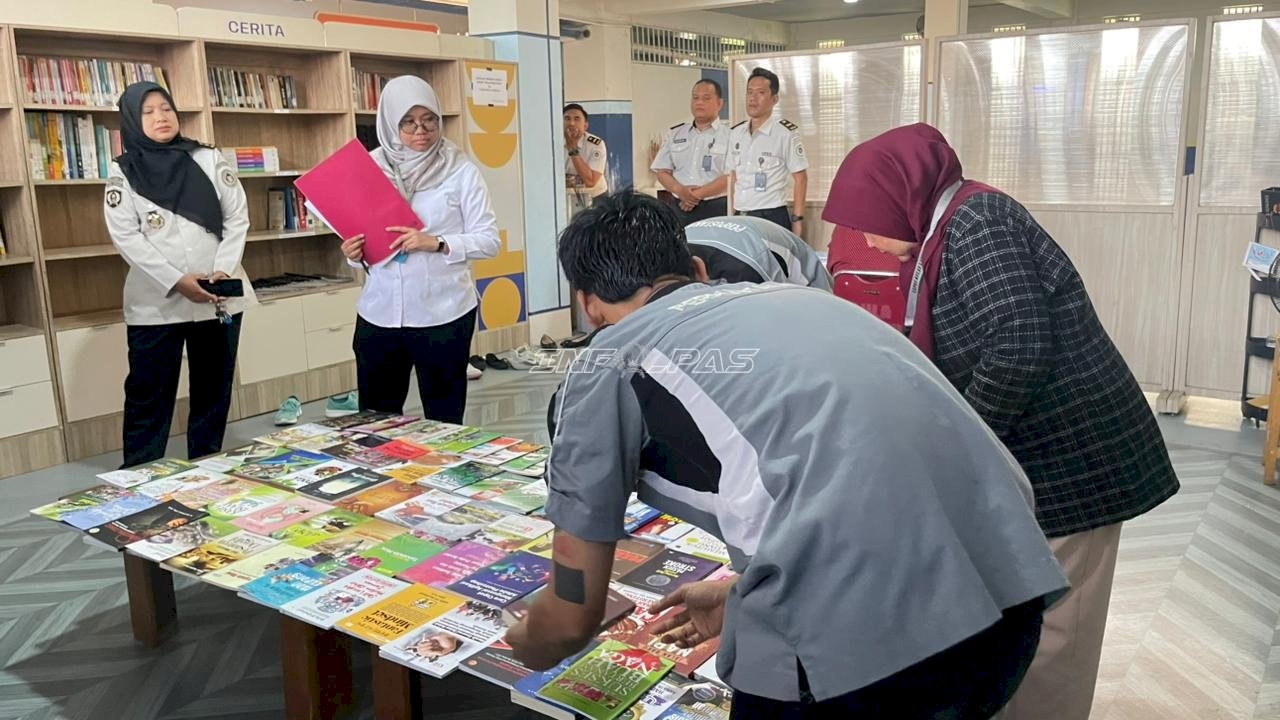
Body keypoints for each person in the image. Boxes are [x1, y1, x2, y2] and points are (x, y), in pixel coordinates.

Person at [507, 191, 1069, 718]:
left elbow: (574, 609)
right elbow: (853, 469)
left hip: (871, 660)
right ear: (697, 270)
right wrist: (742, 593)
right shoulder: (804, 301)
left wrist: (528, 639)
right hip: (1012, 604)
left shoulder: (609, 359)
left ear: (588, 306)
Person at [823, 123, 1181, 720]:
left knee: (1057, 635)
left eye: (870, 221)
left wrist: (965, 441)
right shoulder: (946, 230)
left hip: (1077, 460)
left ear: (902, 198)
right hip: (1039, 454)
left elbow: (1018, 342)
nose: (870, 242)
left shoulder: (977, 221)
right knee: (1025, 621)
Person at [104, 81, 254, 468]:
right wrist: (175, 280)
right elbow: (126, 238)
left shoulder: (207, 158)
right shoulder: (122, 173)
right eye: (148, 112)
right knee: (148, 391)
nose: (161, 117)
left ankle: (206, 467)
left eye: (166, 108)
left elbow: (237, 216)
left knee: (213, 388)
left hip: (219, 292)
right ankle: (139, 473)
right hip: (156, 303)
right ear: (132, 122)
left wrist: (222, 268)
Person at [340, 75, 499, 422]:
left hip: (442, 313)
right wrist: (353, 254)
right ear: (389, 122)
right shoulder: (369, 170)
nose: (420, 131)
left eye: (429, 120)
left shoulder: (460, 171)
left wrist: (437, 242)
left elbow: (489, 240)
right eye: (408, 123)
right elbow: (362, 247)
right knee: (375, 419)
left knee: (443, 417)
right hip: (380, 312)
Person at [728, 67, 808, 234]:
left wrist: (797, 220)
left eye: (760, 93)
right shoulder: (736, 133)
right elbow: (734, 177)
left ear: (774, 99)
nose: (753, 98)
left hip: (770, 215)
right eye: (749, 92)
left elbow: (800, 179)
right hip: (740, 215)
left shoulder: (785, 133)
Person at [651, 79, 730, 225]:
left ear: (720, 103)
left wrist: (695, 196)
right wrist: (680, 191)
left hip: (716, 208)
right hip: (679, 207)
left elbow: (730, 176)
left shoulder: (731, 134)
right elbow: (662, 171)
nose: (699, 102)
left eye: (706, 98)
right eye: (695, 98)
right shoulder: (676, 133)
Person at [685, 216, 832, 290]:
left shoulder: (745, 268)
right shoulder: (670, 250)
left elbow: (773, 310)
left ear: (700, 270)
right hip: (739, 238)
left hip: (803, 273)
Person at [563, 103, 608, 209]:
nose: (572, 123)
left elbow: (591, 181)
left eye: (577, 119)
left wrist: (572, 148)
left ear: (585, 125)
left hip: (595, 198)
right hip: (565, 197)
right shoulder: (552, 143)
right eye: (567, 119)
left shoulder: (596, 144)